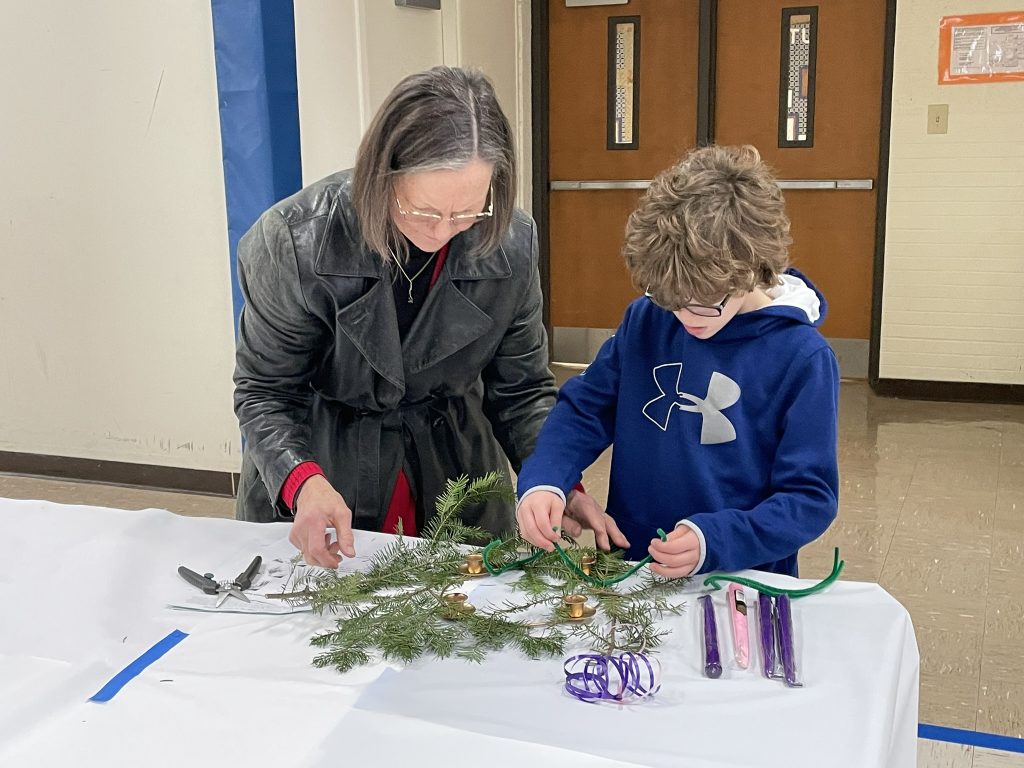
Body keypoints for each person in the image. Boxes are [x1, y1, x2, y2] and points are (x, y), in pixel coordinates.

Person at [233, 66, 615, 568]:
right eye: (422, 210)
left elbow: (521, 392)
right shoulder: (295, 240)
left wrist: (556, 474)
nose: (442, 232)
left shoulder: (511, 242)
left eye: (467, 213)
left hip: (456, 474)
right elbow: (265, 392)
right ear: (381, 175)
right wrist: (301, 480)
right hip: (324, 471)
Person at [515, 144, 839, 579]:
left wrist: (718, 540)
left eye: (703, 304)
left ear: (753, 268)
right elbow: (585, 409)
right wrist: (545, 478)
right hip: (635, 564)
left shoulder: (802, 358)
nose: (686, 318)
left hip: (741, 577)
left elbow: (809, 497)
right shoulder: (649, 319)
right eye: (671, 302)